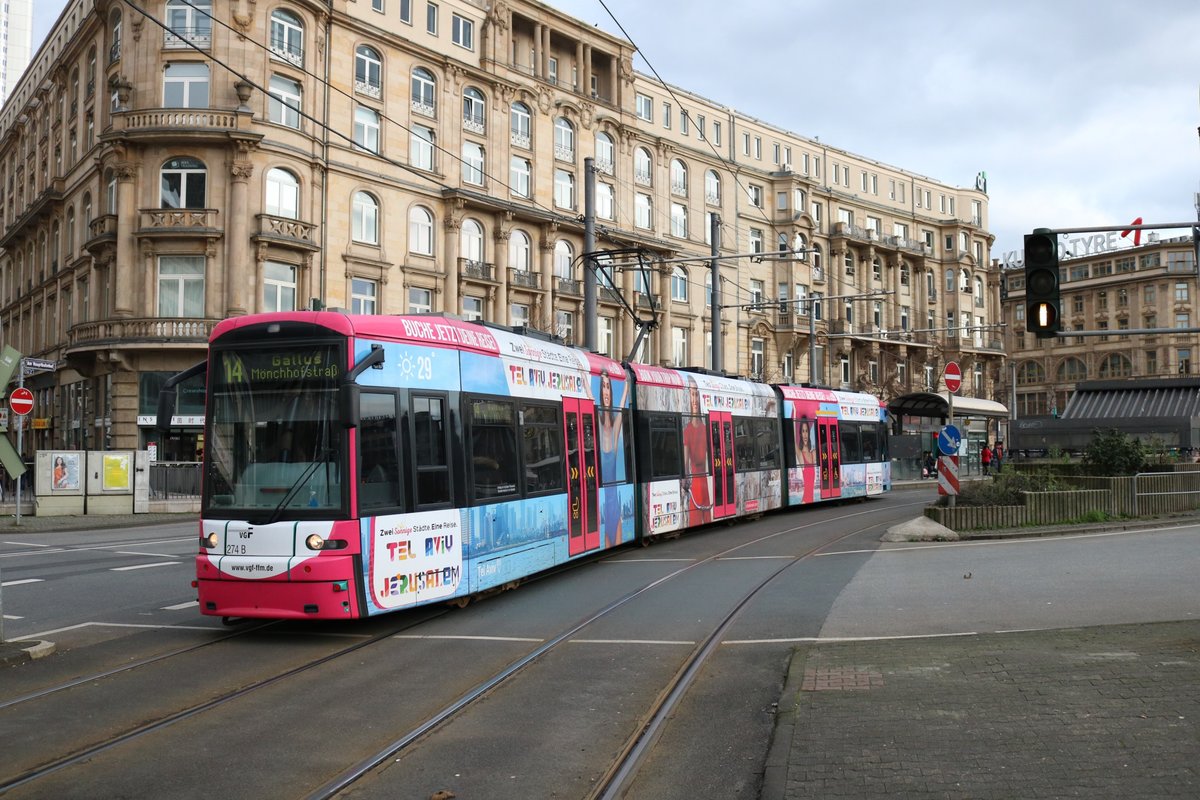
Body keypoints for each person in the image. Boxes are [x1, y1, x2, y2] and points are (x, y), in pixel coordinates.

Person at [597, 369, 629, 546]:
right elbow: (590, 399)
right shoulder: (597, 424)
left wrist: (626, 384)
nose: (606, 390)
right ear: (601, 393)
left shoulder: (616, 427)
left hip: (614, 507)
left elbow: (622, 405)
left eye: (608, 386)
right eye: (603, 386)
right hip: (604, 508)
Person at [682, 376, 711, 526]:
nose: (694, 399)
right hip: (695, 487)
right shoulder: (687, 431)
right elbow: (685, 466)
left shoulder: (705, 429)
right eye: (691, 394)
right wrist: (685, 481)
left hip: (705, 485)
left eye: (696, 394)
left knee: (706, 519)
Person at [798, 416, 817, 503]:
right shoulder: (801, 455)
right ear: (800, 434)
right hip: (805, 501)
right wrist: (794, 410)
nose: (805, 434)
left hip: (811, 500)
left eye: (806, 431)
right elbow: (794, 442)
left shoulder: (813, 453)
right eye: (803, 431)